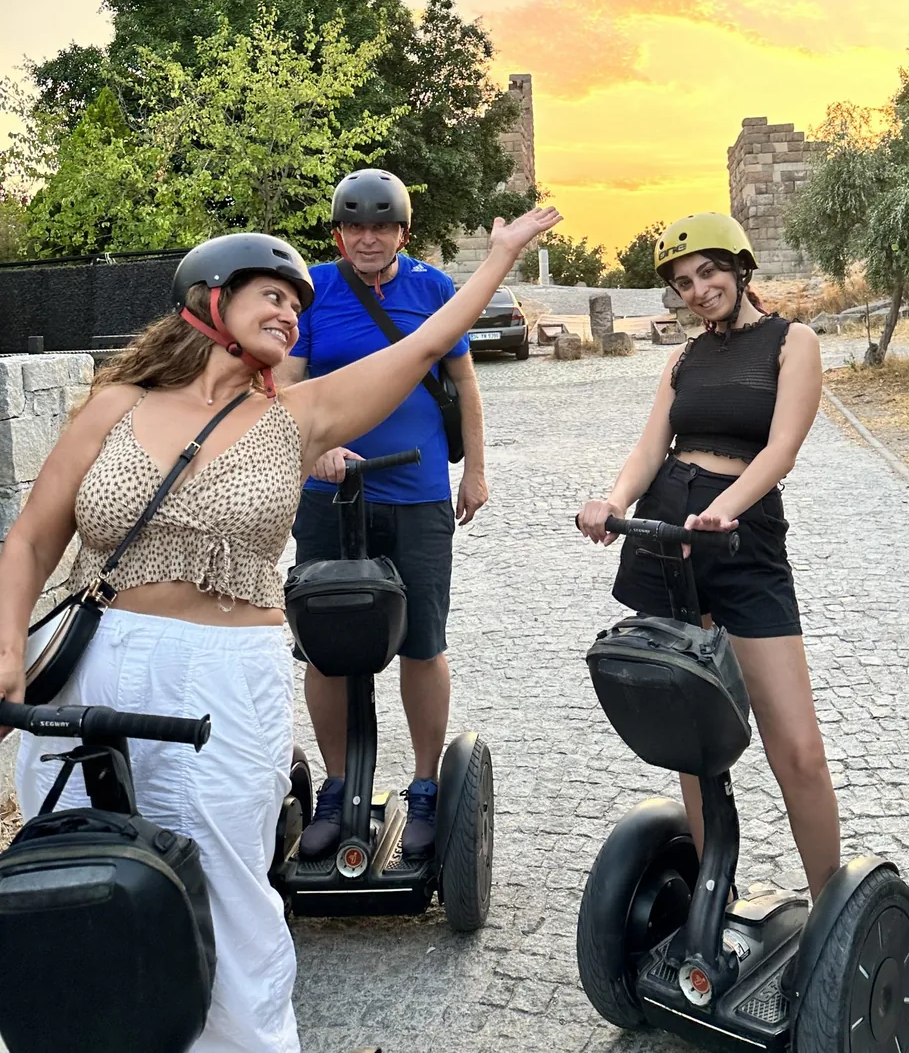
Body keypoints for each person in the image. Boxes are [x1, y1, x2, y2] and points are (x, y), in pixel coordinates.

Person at [0, 207, 559, 1053]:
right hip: (93, 658)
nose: (291, 315)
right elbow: (36, 536)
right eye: (272, 295)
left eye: (298, 305)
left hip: (226, 675)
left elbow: (422, 348)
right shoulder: (115, 405)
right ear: (208, 300)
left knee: (231, 888)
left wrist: (501, 258)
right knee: (73, 875)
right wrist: (8, 640)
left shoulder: (294, 417)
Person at [575, 212, 840, 898]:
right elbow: (649, 448)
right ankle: (711, 895)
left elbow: (781, 449)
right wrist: (614, 501)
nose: (698, 290)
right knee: (690, 734)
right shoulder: (683, 357)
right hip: (671, 529)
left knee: (798, 749)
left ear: (740, 268)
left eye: (708, 273)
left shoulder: (793, 342)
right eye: (683, 283)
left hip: (740, 535)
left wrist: (728, 506)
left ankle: (830, 909)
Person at [275, 169, 488, 862]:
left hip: (417, 491)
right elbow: (285, 384)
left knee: (422, 639)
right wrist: (315, 447)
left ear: (403, 231)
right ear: (339, 233)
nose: (368, 239)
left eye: (382, 227)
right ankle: (338, 787)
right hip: (328, 495)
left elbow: (462, 382)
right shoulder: (314, 290)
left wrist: (475, 471)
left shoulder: (432, 289)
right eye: (355, 228)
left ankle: (425, 786)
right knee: (325, 644)